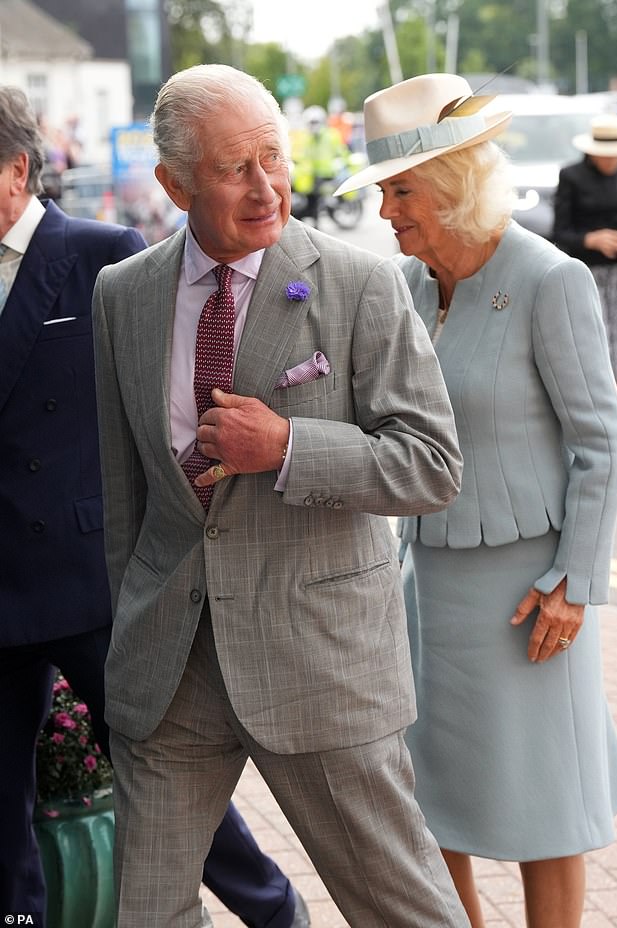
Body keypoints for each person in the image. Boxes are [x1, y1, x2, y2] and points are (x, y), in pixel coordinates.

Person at [91, 63, 467, 928]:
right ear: (173, 184)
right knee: (144, 913)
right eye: (235, 169)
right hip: (171, 667)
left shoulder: (359, 284)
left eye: (274, 157)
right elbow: (124, 493)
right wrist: (132, 624)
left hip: (318, 667)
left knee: (404, 912)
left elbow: (432, 465)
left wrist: (289, 445)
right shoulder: (125, 293)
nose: (267, 187)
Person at [0, 85, 311, 928]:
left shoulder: (105, 251)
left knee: (172, 788)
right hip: (0, 585)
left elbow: (170, 408)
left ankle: (276, 912)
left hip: (91, 580)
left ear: (18, 168)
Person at [335, 73, 617, 928]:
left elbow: (600, 443)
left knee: (546, 810)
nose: (387, 212)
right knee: (432, 802)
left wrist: (575, 585)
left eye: (401, 192)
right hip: (428, 583)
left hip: (529, 595)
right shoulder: (411, 285)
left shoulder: (549, 279)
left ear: (452, 187)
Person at [553, 113, 617, 389]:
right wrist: (591, 239)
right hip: (587, 265)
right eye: (607, 155)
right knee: (592, 324)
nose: (612, 161)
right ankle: (599, 379)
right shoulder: (572, 176)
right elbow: (559, 232)